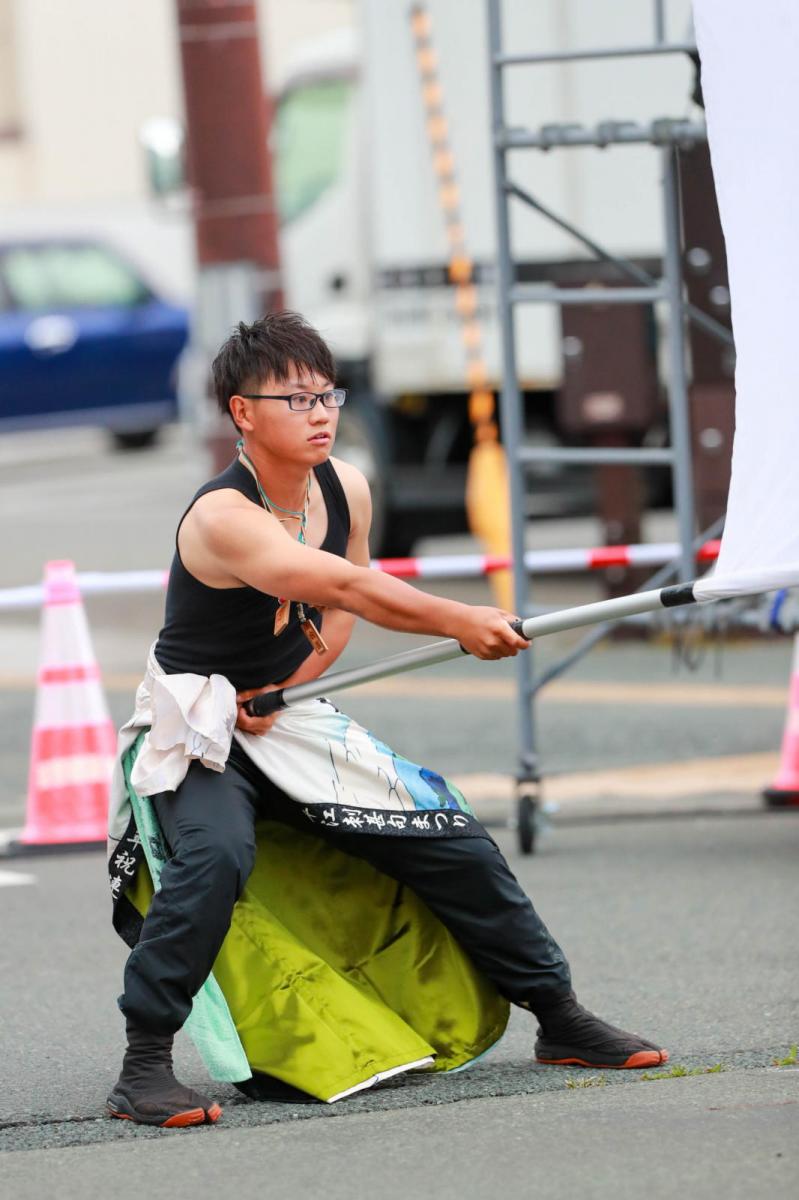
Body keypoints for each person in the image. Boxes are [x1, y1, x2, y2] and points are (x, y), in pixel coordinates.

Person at [106, 311, 668, 1128]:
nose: (321, 412)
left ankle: (559, 1016)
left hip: (284, 714)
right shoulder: (222, 516)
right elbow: (348, 590)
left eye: (326, 393)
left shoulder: (346, 487)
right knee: (214, 857)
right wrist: (459, 620)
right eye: (294, 399)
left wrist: (288, 688)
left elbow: (335, 620)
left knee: (449, 833)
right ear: (241, 412)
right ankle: (143, 1066)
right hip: (195, 722)